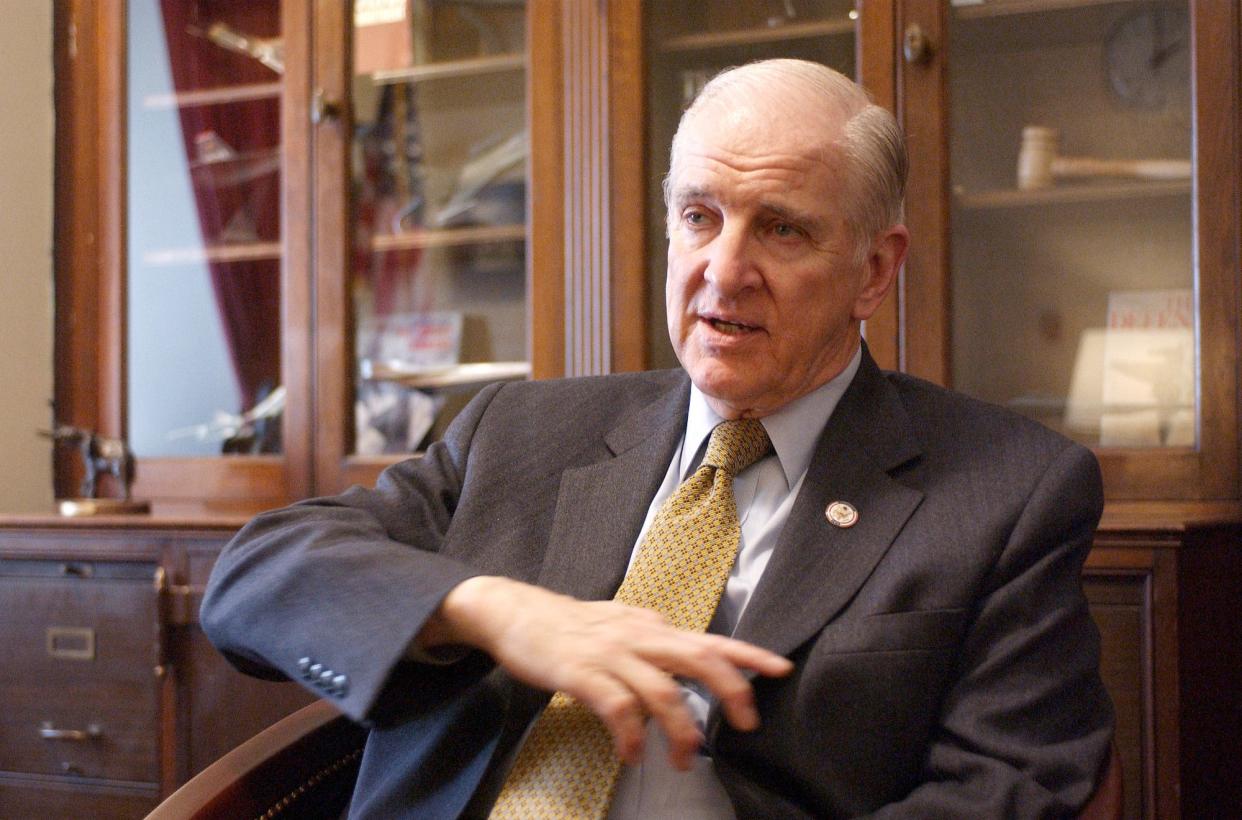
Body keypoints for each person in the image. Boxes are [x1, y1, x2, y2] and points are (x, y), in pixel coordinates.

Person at [201, 58, 1113, 818]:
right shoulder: (523, 431)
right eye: (699, 217)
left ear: (873, 271)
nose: (724, 270)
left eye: (782, 229)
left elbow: (1010, 790)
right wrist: (495, 610)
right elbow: (256, 579)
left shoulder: (1007, 493)